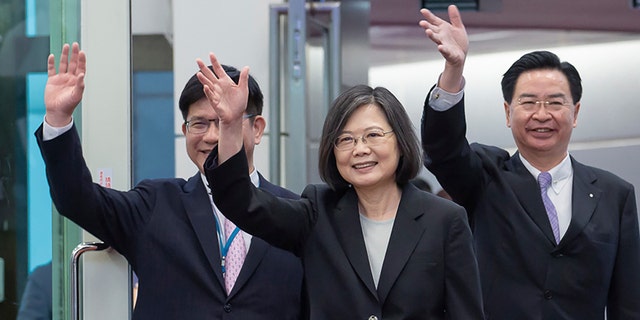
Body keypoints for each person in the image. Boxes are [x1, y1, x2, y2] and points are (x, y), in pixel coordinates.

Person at [196, 53, 484, 319]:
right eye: (346, 139)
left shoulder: (445, 220)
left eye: (373, 135)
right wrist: (231, 125)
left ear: (400, 141)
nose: (360, 149)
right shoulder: (318, 212)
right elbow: (241, 201)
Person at [34, 43, 303, 319]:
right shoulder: (156, 204)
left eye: (223, 121)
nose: (211, 136)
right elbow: (76, 199)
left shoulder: (295, 213)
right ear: (184, 131)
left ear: (256, 129)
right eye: (199, 124)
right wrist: (58, 119)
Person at [419, 5, 640, 320]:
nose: (541, 114)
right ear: (508, 113)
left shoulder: (614, 194)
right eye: (529, 102)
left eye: (554, 102)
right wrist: (453, 69)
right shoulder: (486, 178)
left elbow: (628, 302)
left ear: (575, 113)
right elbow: (443, 150)